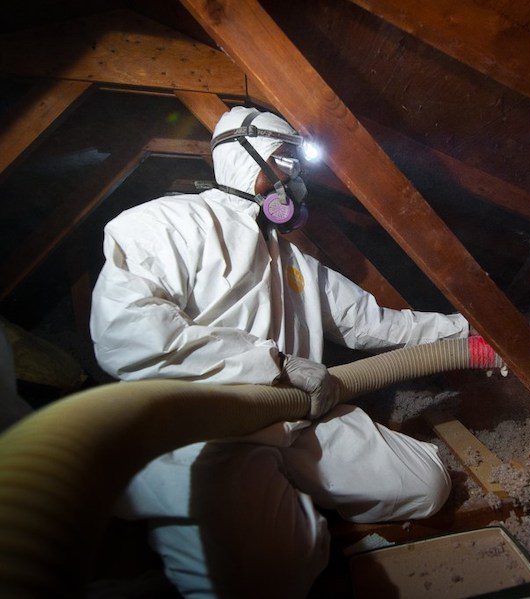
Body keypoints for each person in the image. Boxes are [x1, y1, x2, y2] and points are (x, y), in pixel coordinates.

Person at [90, 106, 473, 597]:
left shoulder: (293, 259)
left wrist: (470, 333)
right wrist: (275, 365)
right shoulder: (164, 225)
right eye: (287, 160)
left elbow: (375, 325)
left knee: (425, 485)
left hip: (299, 418)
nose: (295, 176)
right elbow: (128, 335)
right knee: (275, 574)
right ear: (247, 157)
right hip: (209, 433)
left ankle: (279, 496)